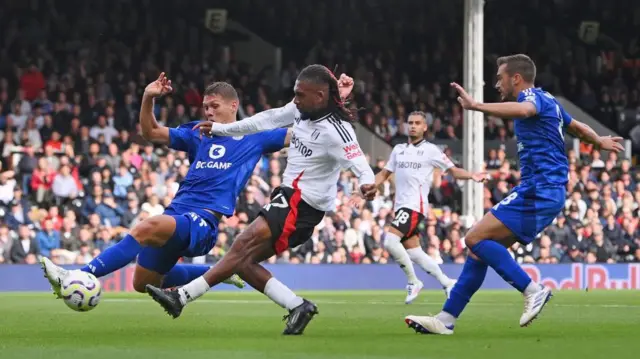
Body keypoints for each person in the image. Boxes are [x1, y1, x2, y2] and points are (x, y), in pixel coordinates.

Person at [145, 64, 375, 335]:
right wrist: (220, 129)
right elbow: (263, 120)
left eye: (301, 95)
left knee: (241, 244)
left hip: (302, 205)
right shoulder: (301, 109)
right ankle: (298, 306)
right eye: (296, 93)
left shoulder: (337, 130)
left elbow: (359, 159)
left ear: (321, 97)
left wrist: (366, 182)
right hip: (288, 198)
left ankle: (181, 297)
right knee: (243, 262)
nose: (296, 100)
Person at [405, 54, 625, 335]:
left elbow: (524, 111)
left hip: (540, 188)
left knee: (473, 237)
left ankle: (532, 289)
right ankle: (446, 319)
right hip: (545, 190)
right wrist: (599, 141)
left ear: (516, 78)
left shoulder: (532, 98)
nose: (497, 83)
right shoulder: (551, 102)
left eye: (500, 77)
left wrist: (475, 106)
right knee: (478, 250)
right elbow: (576, 127)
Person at [40, 72, 300, 298]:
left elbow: (298, 134)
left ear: (234, 105)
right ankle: (219, 272)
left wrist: (329, 110)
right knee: (142, 283)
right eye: (206, 106)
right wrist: (148, 97)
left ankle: (77, 276)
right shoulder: (199, 132)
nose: (209, 111)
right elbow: (150, 132)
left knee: (147, 226)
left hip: (202, 222)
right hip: (176, 213)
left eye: (214, 105)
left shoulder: (255, 137)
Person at [374, 111, 486, 304]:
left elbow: (453, 171)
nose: (413, 126)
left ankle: (413, 281)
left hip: (414, 206)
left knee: (390, 242)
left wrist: (471, 176)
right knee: (415, 252)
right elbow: (383, 174)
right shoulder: (398, 149)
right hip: (401, 206)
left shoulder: (431, 150)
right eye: (410, 123)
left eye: (417, 123)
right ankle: (447, 282)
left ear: (425, 127)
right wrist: (365, 188)